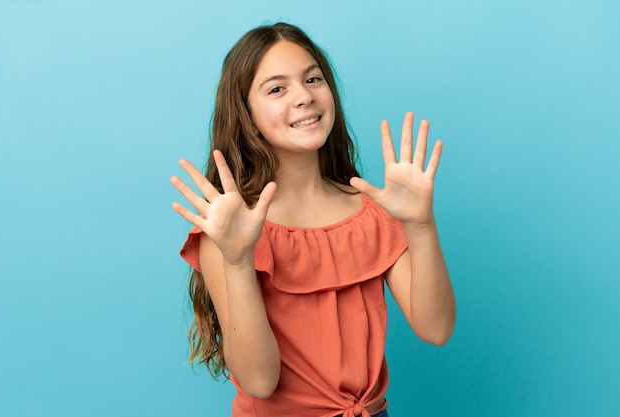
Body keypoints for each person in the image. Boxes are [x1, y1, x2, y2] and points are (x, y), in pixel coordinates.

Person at [170, 22, 456, 417]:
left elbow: (436, 329)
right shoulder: (230, 227)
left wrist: (421, 225)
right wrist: (237, 261)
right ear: (248, 116)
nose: (304, 96)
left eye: (312, 78)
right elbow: (258, 380)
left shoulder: (371, 211)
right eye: (277, 89)